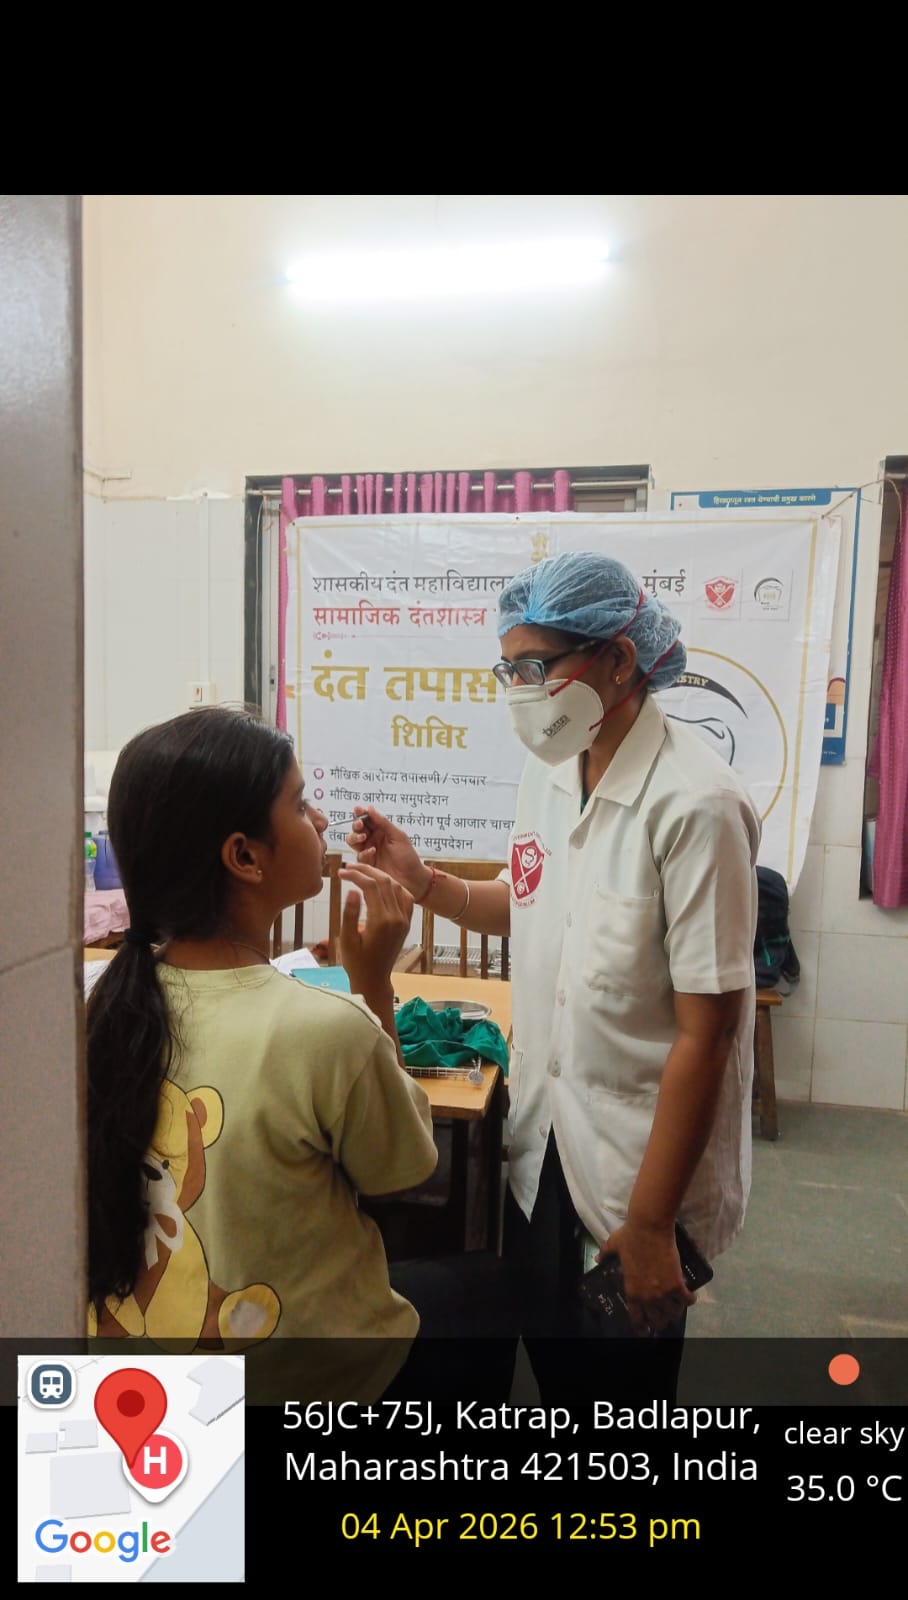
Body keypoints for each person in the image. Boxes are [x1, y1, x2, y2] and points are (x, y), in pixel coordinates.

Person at [348, 551, 761, 1402]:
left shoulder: (696, 804)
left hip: (638, 1164)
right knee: (554, 1359)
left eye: (536, 667)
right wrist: (424, 882)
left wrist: (650, 1222)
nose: (520, 691)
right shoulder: (551, 773)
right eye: (508, 670)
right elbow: (530, 904)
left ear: (619, 659)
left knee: (620, 1394)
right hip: (544, 1145)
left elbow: (709, 1032)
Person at [86, 705, 439, 1402]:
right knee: (505, 1291)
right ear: (245, 857)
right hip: (301, 1383)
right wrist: (374, 986)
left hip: (144, 1385)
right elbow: (399, 1170)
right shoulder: (326, 1028)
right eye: (301, 805)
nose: (322, 821)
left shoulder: (106, 1007)